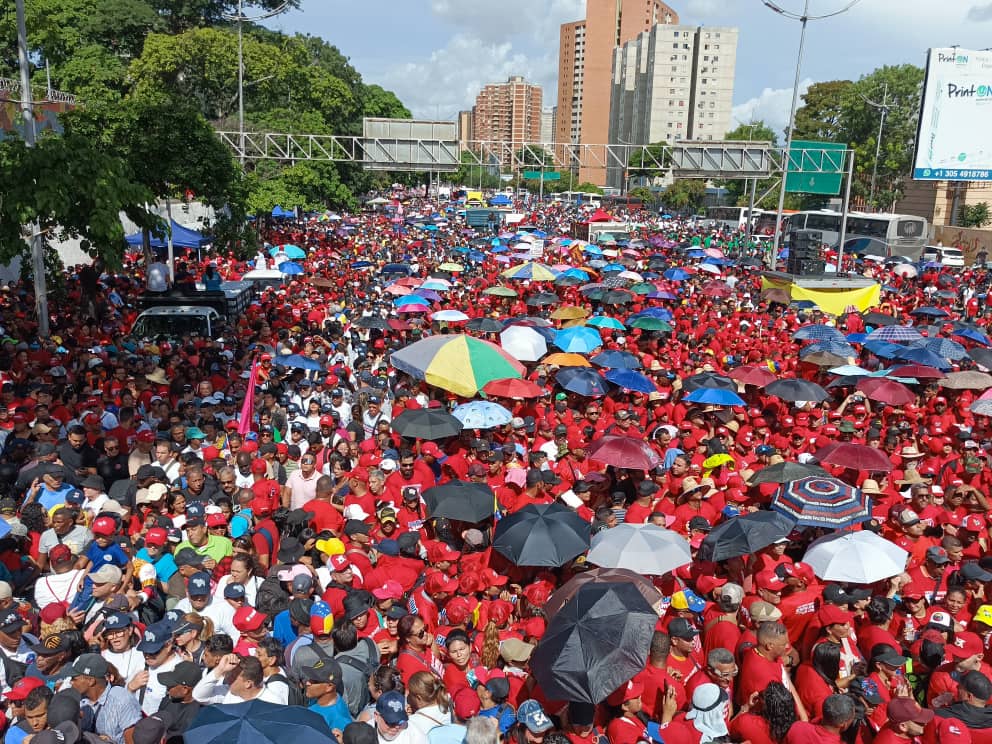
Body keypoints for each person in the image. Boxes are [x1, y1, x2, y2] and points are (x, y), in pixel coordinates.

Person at [67, 653, 142, 744]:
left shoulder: (123, 700)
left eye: (74, 679)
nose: (70, 682)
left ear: (91, 681)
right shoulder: (75, 700)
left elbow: (133, 741)